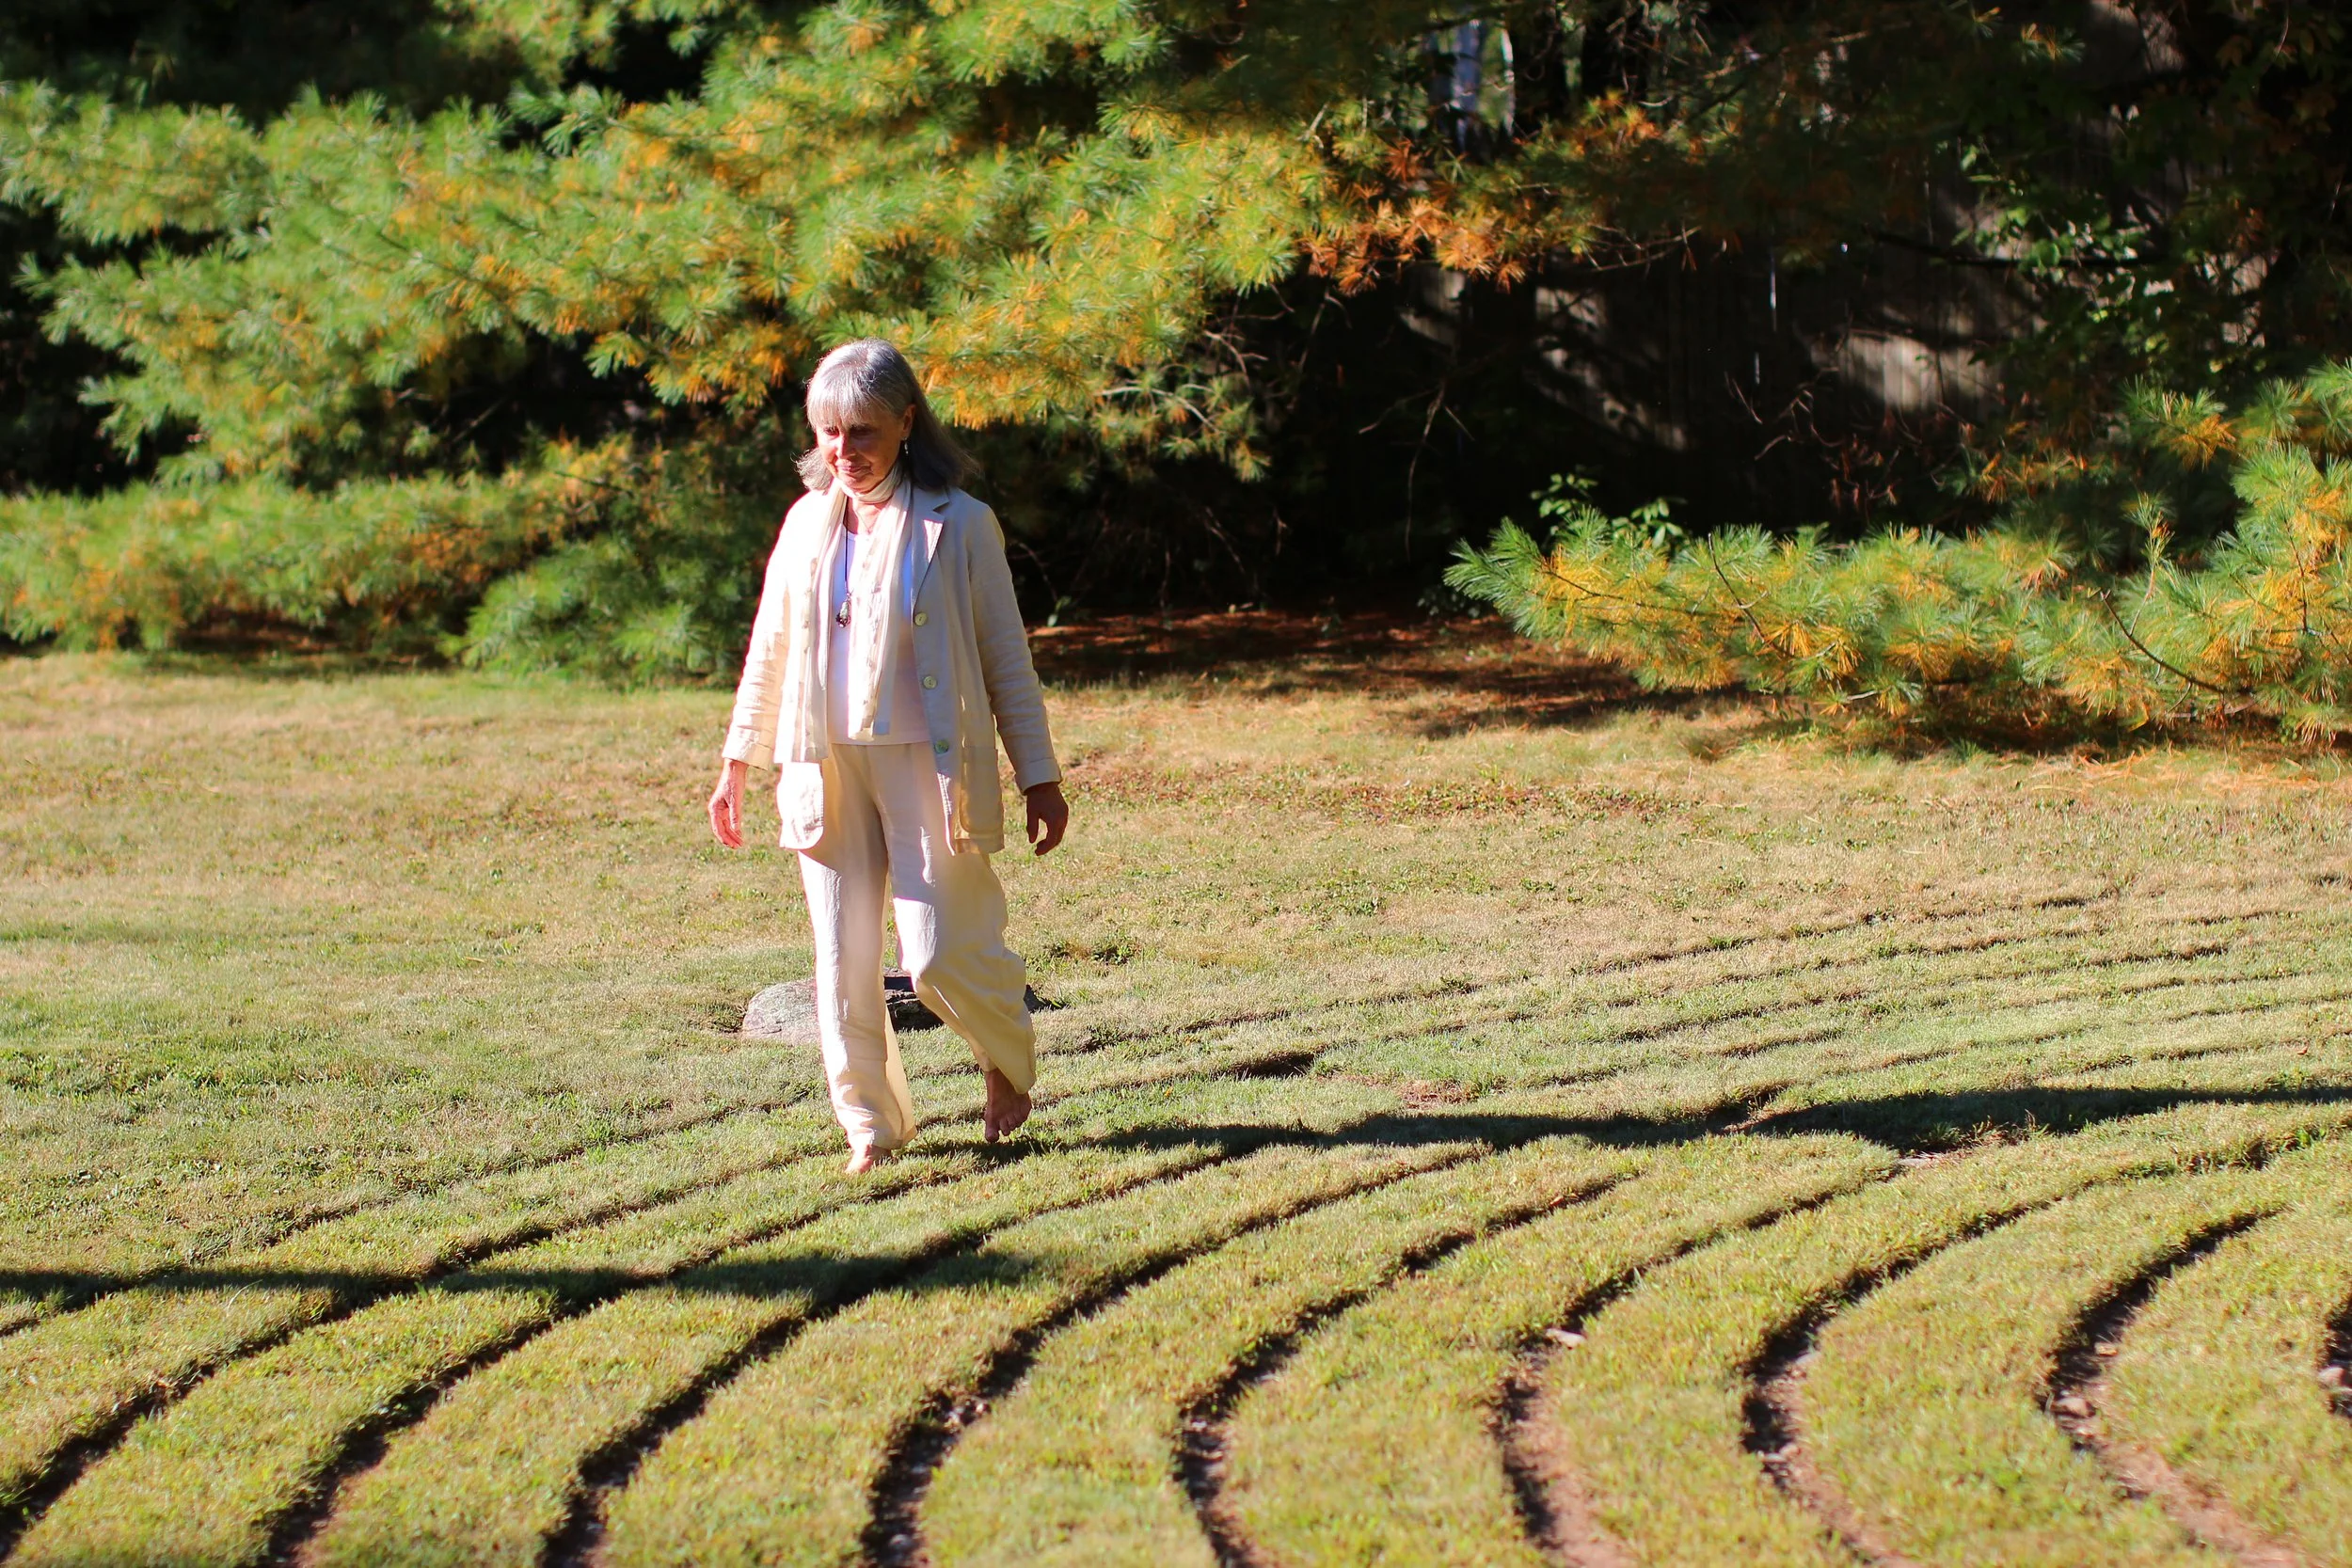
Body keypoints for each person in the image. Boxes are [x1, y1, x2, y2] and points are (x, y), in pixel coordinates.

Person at [707, 339, 1069, 1174]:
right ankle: (870, 1124)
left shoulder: (963, 522)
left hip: (928, 764)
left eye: (862, 431)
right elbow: (769, 648)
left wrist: (1038, 775)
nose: (845, 451)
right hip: (823, 763)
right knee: (841, 957)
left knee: (938, 949)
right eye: (829, 433)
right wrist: (737, 763)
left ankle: (1003, 1051)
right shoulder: (805, 523)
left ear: (908, 423)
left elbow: (1005, 654)